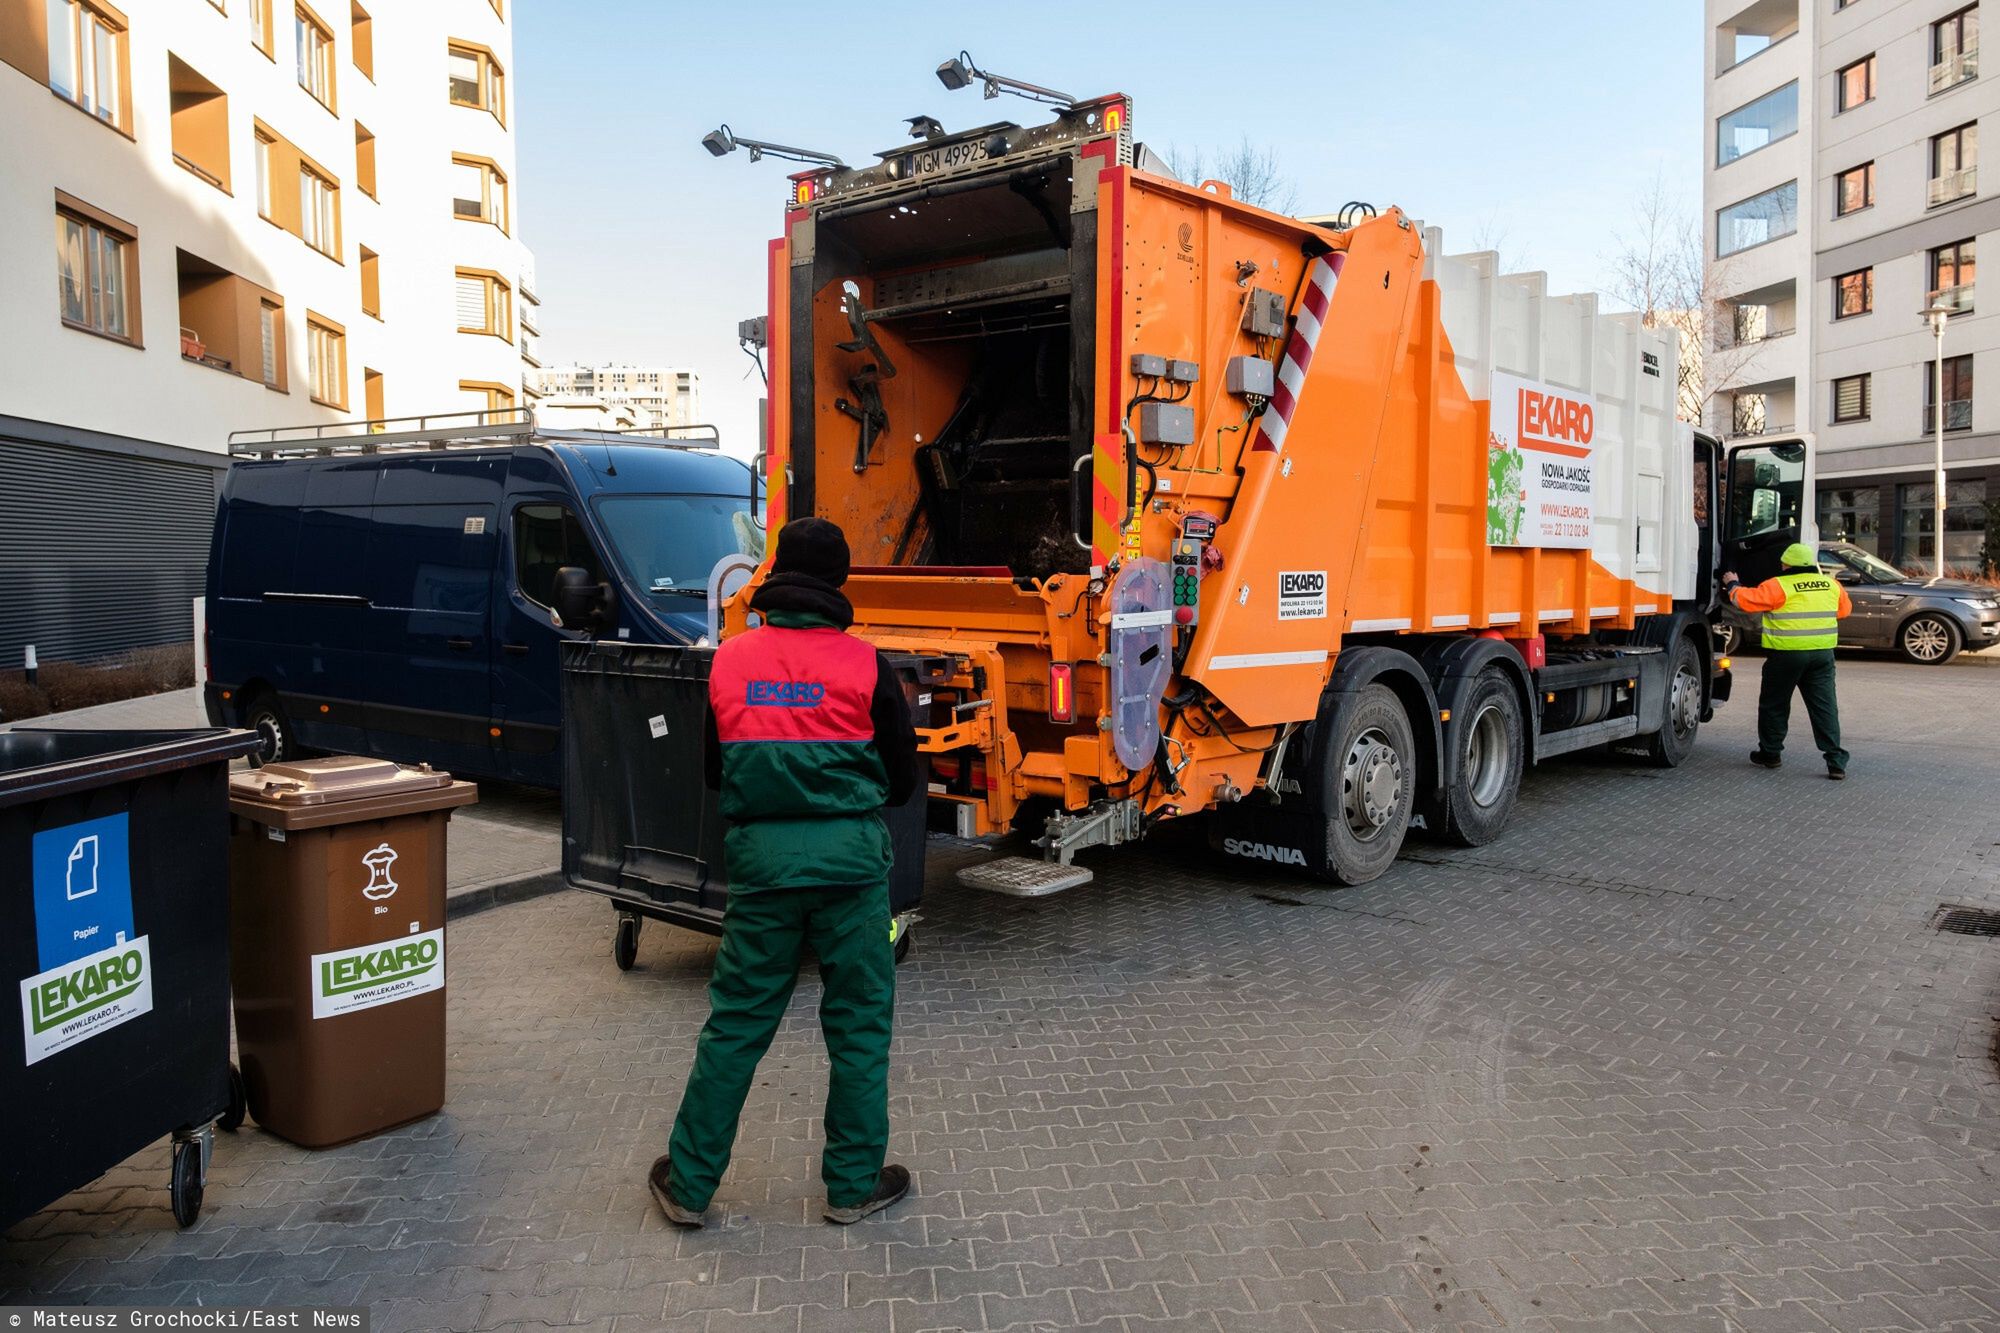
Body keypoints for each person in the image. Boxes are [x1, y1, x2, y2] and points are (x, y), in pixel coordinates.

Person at [649, 517, 919, 1228]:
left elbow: (716, 772)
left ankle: (687, 1183)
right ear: (838, 583)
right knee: (859, 1027)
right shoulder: (867, 666)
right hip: (853, 873)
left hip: (763, 871)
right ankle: (853, 1185)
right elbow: (902, 780)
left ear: (777, 577)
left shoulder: (731, 661)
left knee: (736, 1025)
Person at [1724, 541, 1852, 780]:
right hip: (1822, 655)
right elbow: (1844, 611)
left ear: (1786, 564)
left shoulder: (1778, 585)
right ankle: (1836, 762)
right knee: (1824, 707)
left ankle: (1771, 754)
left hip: (1786, 656)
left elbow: (1744, 601)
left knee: (1775, 705)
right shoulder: (1831, 585)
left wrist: (1732, 583)